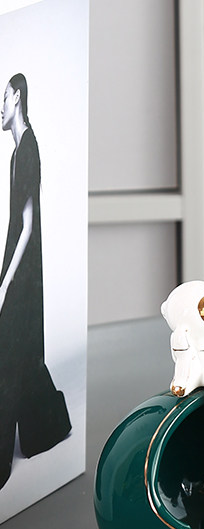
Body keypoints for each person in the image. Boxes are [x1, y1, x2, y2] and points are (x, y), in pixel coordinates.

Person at [0, 73, 70, 488]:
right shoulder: (16, 153)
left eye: (3, 97)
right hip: (17, 268)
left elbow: (26, 227)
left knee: (9, 354)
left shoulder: (27, 150)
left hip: (23, 274)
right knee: (20, 355)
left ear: (17, 97)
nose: (0, 107)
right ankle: (49, 423)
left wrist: (6, 283)